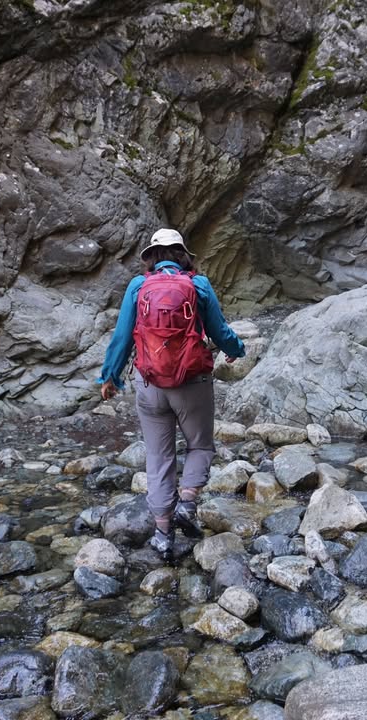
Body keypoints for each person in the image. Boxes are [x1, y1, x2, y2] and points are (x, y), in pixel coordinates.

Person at [98, 228, 246, 560]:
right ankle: (188, 501)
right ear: (183, 255)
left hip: (150, 386)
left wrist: (110, 378)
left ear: (151, 257)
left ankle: (163, 535)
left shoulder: (138, 287)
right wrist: (237, 349)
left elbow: (122, 338)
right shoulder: (199, 285)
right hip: (192, 384)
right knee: (200, 445)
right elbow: (219, 330)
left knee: (158, 457)